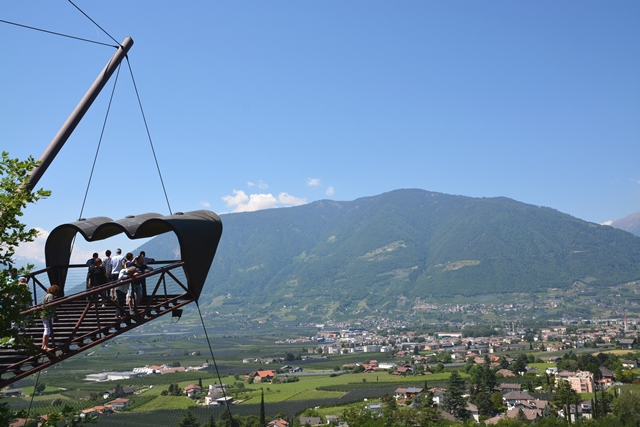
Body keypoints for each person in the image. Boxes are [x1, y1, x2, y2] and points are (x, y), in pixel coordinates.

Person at [41, 284, 60, 351]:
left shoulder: (45, 296)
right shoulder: (50, 296)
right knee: (47, 330)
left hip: (43, 314)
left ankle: (43, 346)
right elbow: (50, 304)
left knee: (46, 329)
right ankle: (46, 346)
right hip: (48, 315)